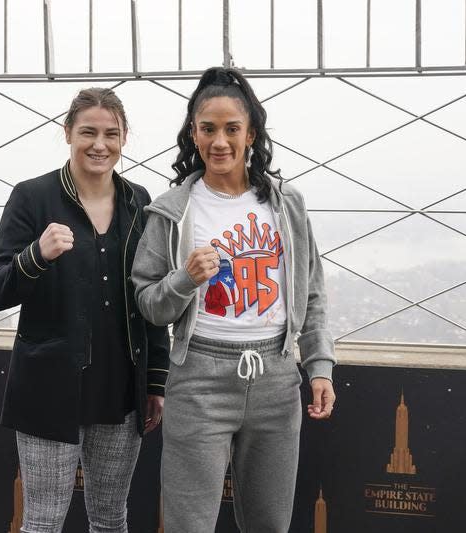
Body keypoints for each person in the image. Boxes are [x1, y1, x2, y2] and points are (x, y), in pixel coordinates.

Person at [131, 67, 336, 532]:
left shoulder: (287, 205)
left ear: (251, 134)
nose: (219, 141)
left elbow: (313, 293)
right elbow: (148, 302)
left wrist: (319, 366)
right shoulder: (172, 210)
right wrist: (184, 279)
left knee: (270, 523)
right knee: (189, 523)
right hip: (198, 379)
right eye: (208, 129)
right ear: (193, 134)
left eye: (231, 129)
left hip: (277, 380)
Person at [0, 87, 170, 533]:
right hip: (49, 389)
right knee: (43, 521)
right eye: (87, 132)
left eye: (111, 134)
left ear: (124, 139)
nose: (99, 144)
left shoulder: (139, 201)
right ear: (67, 133)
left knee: (110, 518)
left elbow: (152, 298)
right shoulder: (32, 197)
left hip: (121, 390)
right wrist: (36, 255)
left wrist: (155, 380)